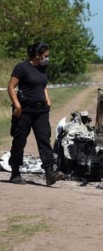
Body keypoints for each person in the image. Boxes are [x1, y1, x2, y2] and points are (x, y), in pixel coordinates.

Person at [7, 41, 64, 185]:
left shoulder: (43, 68)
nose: (47, 58)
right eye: (45, 55)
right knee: (19, 140)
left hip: (41, 111)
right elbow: (11, 87)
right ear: (37, 55)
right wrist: (17, 105)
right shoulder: (22, 67)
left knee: (44, 139)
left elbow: (42, 85)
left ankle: (50, 172)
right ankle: (15, 173)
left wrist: (48, 99)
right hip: (24, 110)